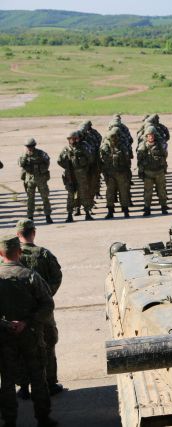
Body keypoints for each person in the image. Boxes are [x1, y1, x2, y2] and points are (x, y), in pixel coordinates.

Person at [0, 234, 57, 427]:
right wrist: (27, 322)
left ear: (1, 253)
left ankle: (9, 421)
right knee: (38, 377)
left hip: (4, 338)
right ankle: (43, 418)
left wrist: (6, 324)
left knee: (7, 380)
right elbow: (47, 305)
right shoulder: (31, 276)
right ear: (19, 252)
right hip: (31, 335)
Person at [16, 219, 64, 398]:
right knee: (48, 344)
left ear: (18, 234)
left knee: (22, 347)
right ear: (33, 233)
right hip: (43, 311)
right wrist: (46, 295)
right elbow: (57, 276)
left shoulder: (12, 255)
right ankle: (50, 383)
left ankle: (24, 387)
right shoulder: (44, 254)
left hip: (19, 312)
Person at [57, 131, 94, 222]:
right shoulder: (66, 149)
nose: (71, 141)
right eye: (70, 139)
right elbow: (59, 161)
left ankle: (87, 212)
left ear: (77, 139)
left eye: (73, 139)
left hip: (81, 175)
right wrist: (67, 167)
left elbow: (90, 159)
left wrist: (83, 167)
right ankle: (69, 214)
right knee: (71, 195)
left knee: (84, 193)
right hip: (70, 175)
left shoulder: (83, 147)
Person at [19, 138, 53, 223]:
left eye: (31, 146)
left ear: (34, 145)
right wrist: (25, 156)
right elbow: (21, 164)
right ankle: (30, 216)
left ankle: (48, 216)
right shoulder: (24, 154)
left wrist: (42, 170)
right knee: (30, 199)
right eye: (28, 146)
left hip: (41, 178)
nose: (29, 148)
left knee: (45, 198)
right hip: (30, 179)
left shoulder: (41, 153)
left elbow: (47, 161)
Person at [100, 129, 132, 219]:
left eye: (115, 137)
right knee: (110, 193)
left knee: (123, 192)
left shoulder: (122, 146)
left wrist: (127, 172)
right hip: (110, 174)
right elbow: (101, 161)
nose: (114, 139)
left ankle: (125, 210)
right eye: (112, 137)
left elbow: (127, 160)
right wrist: (104, 173)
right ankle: (110, 211)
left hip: (121, 173)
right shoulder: (104, 147)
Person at [137, 126, 169, 216]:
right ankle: (147, 208)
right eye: (149, 135)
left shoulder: (160, 145)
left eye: (152, 135)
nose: (151, 137)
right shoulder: (143, 146)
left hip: (159, 172)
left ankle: (163, 207)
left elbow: (165, 155)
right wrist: (141, 171)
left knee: (162, 191)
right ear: (146, 136)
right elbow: (139, 160)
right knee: (148, 192)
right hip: (148, 173)